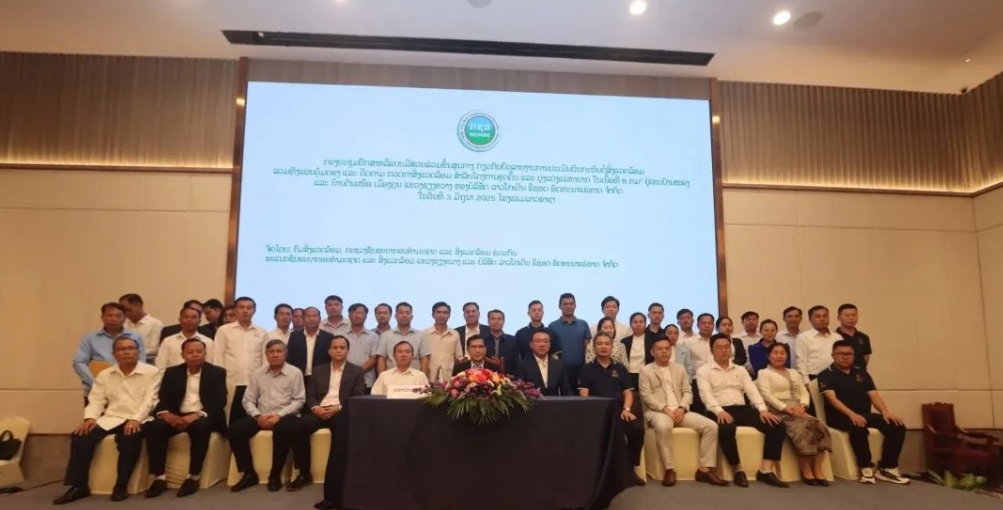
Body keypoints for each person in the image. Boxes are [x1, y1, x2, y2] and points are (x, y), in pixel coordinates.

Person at [54, 336, 162, 505]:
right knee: (80, 436)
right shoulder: (105, 374)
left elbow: (151, 400)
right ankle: (79, 485)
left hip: (140, 418)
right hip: (111, 418)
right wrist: (90, 418)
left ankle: (121, 485)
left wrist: (135, 419)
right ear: (114, 354)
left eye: (130, 348)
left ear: (138, 351)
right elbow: (96, 399)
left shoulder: (152, 372)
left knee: (129, 439)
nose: (126, 352)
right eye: (121, 349)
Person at [697, 334, 788, 488]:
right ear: (711, 350)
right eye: (719, 347)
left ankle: (765, 470)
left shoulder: (740, 370)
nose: (724, 350)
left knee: (777, 425)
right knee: (726, 428)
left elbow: (752, 390)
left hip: (742, 408)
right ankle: (737, 469)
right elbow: (706, 395)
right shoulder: (703, 371)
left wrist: (762, 409)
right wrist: (719, 411)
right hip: (719, 409)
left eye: (727, 347)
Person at [144, 338, 227, 498]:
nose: (195, 355)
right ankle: (159, 477)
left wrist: (197, 415)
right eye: (190, 352)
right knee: (155, 427)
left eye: (199, 351)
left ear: (205, 353)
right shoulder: (172, 373)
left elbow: (219, 401)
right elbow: (163, 398)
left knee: (200, 427)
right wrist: (166, 414)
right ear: (183, 355)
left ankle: (193, 477)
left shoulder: (217, 372)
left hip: (204, 415)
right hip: (177, 414)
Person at [818, 340, 909, 484]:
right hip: (840, 417)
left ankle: (887, 467)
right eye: (841, 353)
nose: (845, 357)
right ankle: (866, 467)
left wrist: (885, 412)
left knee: (896, 425)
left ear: (854, 356)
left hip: (864, 414)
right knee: (858, 426)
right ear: (833, 355)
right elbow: (832, 399)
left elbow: (874, 395)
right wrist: (852, 414)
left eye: (849, 354)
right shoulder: (825, 375)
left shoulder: (861, 372)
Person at [639, 337, 724, 487]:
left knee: (711, 426)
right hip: (658, 411)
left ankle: (704, 469)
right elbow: (646, 396)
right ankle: (669, 469)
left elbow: (687, 391)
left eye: (667, 348)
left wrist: (682, 407)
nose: (664, 351)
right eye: (660, 349)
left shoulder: (679, 368)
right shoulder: (646, 371)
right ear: (652, 352)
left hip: (680, 410)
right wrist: (664, 409)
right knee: (663, 426)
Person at [291, 336, 365, 491]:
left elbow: (358, 396)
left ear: (347, 351)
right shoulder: (318, 370)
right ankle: (304, 473)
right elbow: (310, 395)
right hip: (320, 410)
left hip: (340, 411)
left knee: (341, 429)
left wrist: (339, 408)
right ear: (329, 351)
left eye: (342, 347)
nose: (338, 350)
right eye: (335, 347)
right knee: (298, 426)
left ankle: (338, 475)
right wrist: (315, 408)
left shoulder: (356, 371)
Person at [229, 340, 305, 492]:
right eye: (271, 351)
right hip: (262, 415)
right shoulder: (257, 374)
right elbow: (248, 400)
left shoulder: (295, 372)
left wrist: (278, 416)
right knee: (235, 430)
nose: (275, 355)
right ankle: (249, 473)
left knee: (283, 430)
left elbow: (299, 401)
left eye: (279, 351)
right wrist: (258, 416)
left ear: (285, 354)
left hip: (285, 415)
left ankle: (275, 475)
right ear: (266, 355)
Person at [756, 342, 831, 486]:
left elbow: (803, 391)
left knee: (819, 427)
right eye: (775, 353)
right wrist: (786, 408)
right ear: (768, 356)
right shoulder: (763, 373)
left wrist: (803, 405)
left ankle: (817, 469)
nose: (779, 356)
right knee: (802, 429)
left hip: (798, 409)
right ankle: (806, 470)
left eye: (782, 353)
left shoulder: (794, 372)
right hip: (778, 411)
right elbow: (766, 394)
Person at [578, 333, 645, 486]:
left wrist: (627, 409)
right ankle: (598, 474)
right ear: (594, 347)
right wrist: (591, 412)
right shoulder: (587, 368)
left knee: (637, 429)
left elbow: (628, 392)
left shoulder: (620, 368)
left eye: (607, 343)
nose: (603, 346)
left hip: (619, 411)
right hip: (597, 413)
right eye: (600, 343)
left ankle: (629, 470)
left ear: (612, 347)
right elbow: (584, 393)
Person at [213, 296, 268, 424]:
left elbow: (264, 358)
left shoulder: (262, 332)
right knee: (230, 418)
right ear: (235, 310)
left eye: (249, 308)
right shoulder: (224, 330)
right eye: (241, 307)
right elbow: (218, 355)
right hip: (230, 382)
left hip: (253, 383)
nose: (245, 311)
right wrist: (219, 380)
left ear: (254, 311)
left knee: (251, 420)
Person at [72, 303, 145, 401]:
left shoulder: (135, 336)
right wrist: (96, 383)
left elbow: (141, 363)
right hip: (97, 391)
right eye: (109, 315)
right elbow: (78, 362)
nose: (113, 319)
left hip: (128, 391)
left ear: (124, 318)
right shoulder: (90, 338)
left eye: (118, 316)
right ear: (102, 317)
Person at [548, 293, 592, 389]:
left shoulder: (583, 324)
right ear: (560, 306)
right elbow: (550, 350)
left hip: (581, 369)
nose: (568, 306)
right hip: (559, 370)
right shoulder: (552, 326)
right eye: (565, 304)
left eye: (571, 304)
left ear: (575, 305)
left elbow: (588, 349)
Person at [375, 302, 428, 374]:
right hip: (391, 377)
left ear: (412, 316)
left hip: (414, 378)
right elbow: (381, 359)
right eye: (401, 313)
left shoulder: (420, 335)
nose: (404, 315)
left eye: (407, 313)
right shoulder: (386, 335)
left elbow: (424, 358)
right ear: (395, 316)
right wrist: (382, 378)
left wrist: (422, 378)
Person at [287, 307, 335, 386]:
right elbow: (289, 358)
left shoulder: (328, 337)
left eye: (314, 316)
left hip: (321, 378)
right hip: (298, 378)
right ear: (303, 319)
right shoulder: (294, 336)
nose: (311, 319)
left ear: (319, 319)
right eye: (308, 316)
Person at [515, 330, 573, 396]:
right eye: (538, 341)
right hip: (532, 401)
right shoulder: (522, 365)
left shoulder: (559, 365)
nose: (542, 345)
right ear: (531, 345)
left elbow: (566, 391)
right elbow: (519, 390)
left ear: (550, 344)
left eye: (545, 341)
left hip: (555, 401)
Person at [796, 305, 841, 384]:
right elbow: (801, 362)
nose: (822, 319)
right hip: (814, 378)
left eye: (825, 316)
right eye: (818, 316)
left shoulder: (837, 337)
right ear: (810, 319)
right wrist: (806, 382)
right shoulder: (803, 338)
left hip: (837, 376)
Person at [423, 302, 462, 383]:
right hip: (429, 379)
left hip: (449, 379)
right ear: (433, 315)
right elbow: (422, 357)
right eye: (438, 312)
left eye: (445, 313)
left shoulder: (455, 334)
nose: (441, 315)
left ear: (449, 315)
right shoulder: (424, 334)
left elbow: (458, 357)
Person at [343, 303, 379, 392]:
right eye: (354, 313)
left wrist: (357, 372)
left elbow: (373, 359)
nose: (357, 316)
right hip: (344, 379)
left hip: (367, 380)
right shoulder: (340, 335)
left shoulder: (373, 336)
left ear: (366, 316)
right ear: (349, 316)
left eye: (361, 313)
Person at [119, 293, 164, 363]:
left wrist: (133, 352)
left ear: (140, 306)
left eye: (129, 310)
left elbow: (155, 349)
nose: (126, 314)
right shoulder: (123, 325)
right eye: (124, 311)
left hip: (147, 362)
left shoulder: (155, 324)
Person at [834, 303, 872, 368]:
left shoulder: (864, 337)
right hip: (839, 372)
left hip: (860, 372)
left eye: (854, 315)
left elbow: (865, 359)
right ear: (839, 318)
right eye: (847, 315)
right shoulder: (834, 337)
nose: (851, 318)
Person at [484, 309, 519, 376]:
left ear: (503, 321)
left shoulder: (513, 340)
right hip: (486, 378)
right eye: (493, 319)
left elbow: (517, 361)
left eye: (499, 319)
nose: (496, 322)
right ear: (488, 321)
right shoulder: (482, 340)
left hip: (508, 378)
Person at [619, 312, 649, 387]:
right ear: (630, 325)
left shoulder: (652, 341)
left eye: (641, 322)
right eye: (635, 322)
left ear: (645, 324)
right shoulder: (624, 342)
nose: (638, 325)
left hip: (646, 375)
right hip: (628, 375)